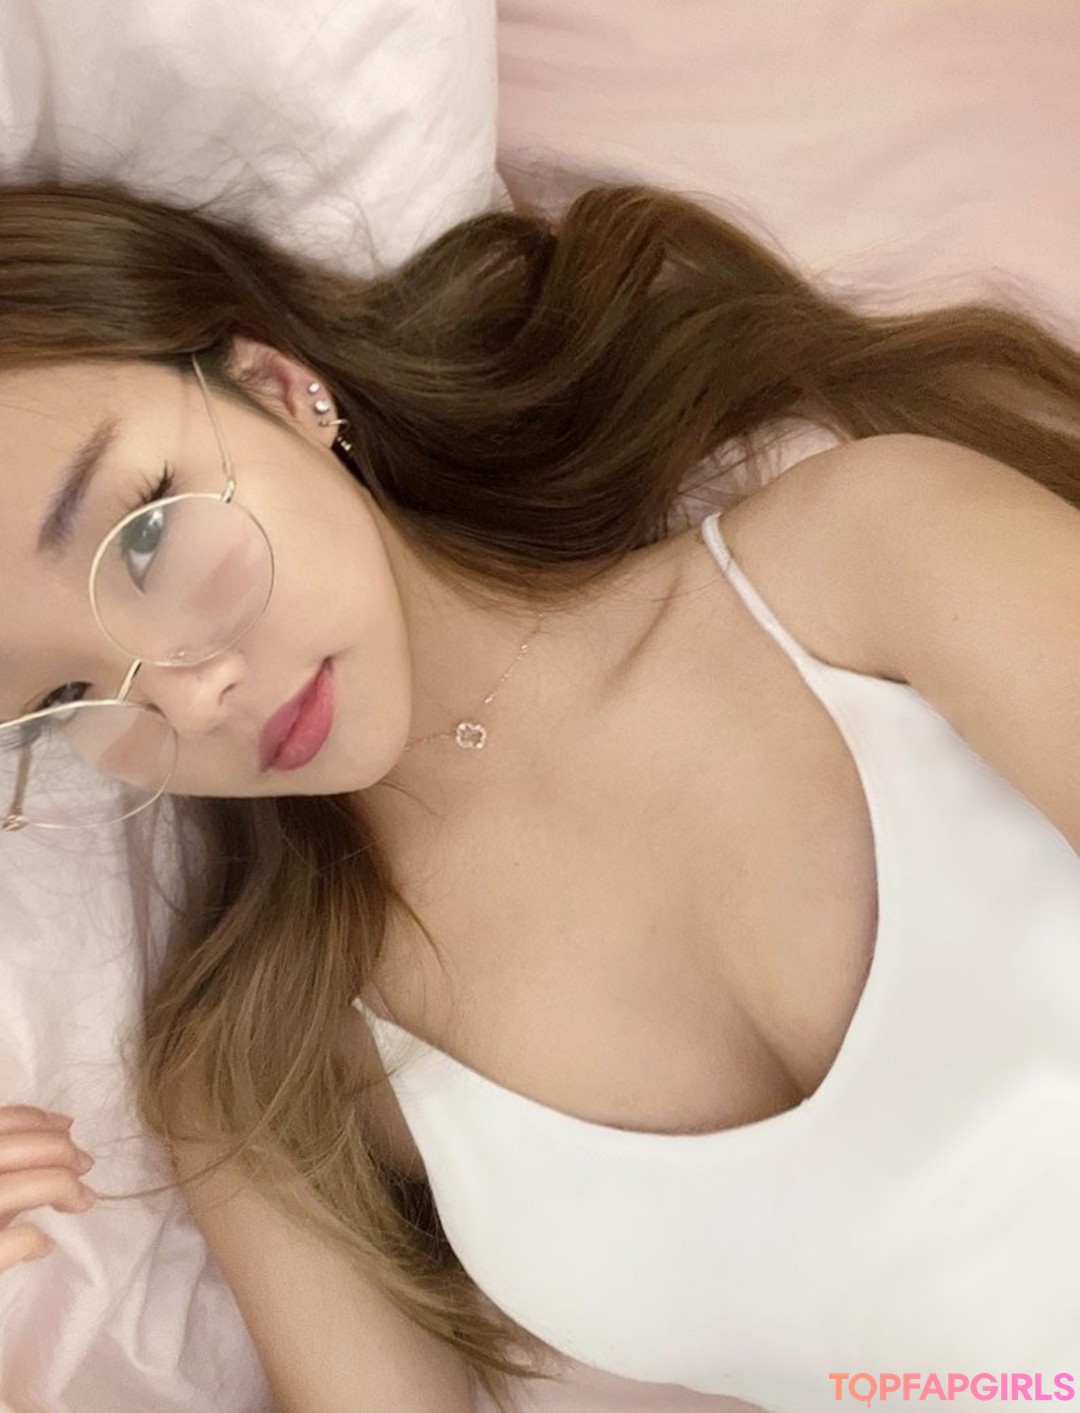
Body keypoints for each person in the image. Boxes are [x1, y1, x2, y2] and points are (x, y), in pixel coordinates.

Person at [0, 176, 1079, 1413]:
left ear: (280, 387)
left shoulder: (868, 560)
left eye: (145, 540)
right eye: (62, 696)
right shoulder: (271, 1068)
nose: (189, 698)